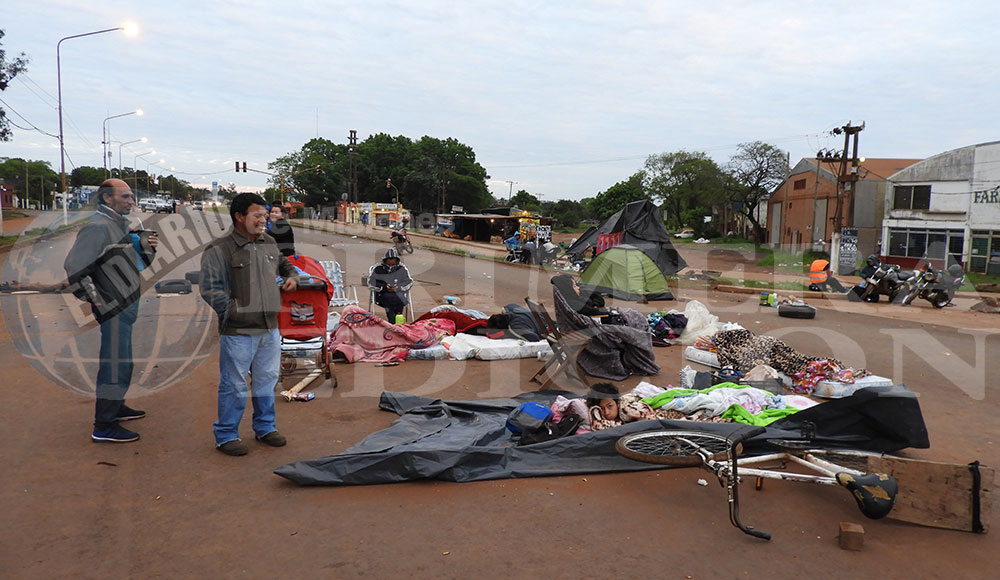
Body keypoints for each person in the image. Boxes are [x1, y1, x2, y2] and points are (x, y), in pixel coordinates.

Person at [199, 192, 298, 456]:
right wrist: (235, 312)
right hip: (239, 331)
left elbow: (286, 265)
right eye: (257, 216)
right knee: (234, 384)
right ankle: (226, 435)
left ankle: (265, 427)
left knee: (266, 379)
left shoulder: (269, 242)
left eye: (265, 215)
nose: (263, 220)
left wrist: (292, 278)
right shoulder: (220, 249)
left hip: (269, 327)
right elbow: (210, 289)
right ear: (239, 217)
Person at [64, 178, 158, 443]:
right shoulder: (97, 227)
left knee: (123, 361)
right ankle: (104, 425)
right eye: (126, 196)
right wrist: (95, 299)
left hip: (125, 303)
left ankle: (116, 407)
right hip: (112, 305)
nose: (131, 201)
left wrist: (147, 246)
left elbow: (138, 264)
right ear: (107, 198)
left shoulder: (119, 225)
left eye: (131, 196)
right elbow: (74, 267)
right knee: (114, 363)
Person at [368, 247, 412, 322]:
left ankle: (398, 319)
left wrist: (399, 287)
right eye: (389, 262)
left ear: (396, 260)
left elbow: (409, 282)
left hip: (398, 293)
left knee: (400, 299)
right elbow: (371, 282)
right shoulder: (378, 269)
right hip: (382, 294)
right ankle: (392, 320)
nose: (391, 264)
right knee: (389, 300)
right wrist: (384, 287)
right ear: (385, 260)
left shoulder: (402, 268)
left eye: (393, 262)